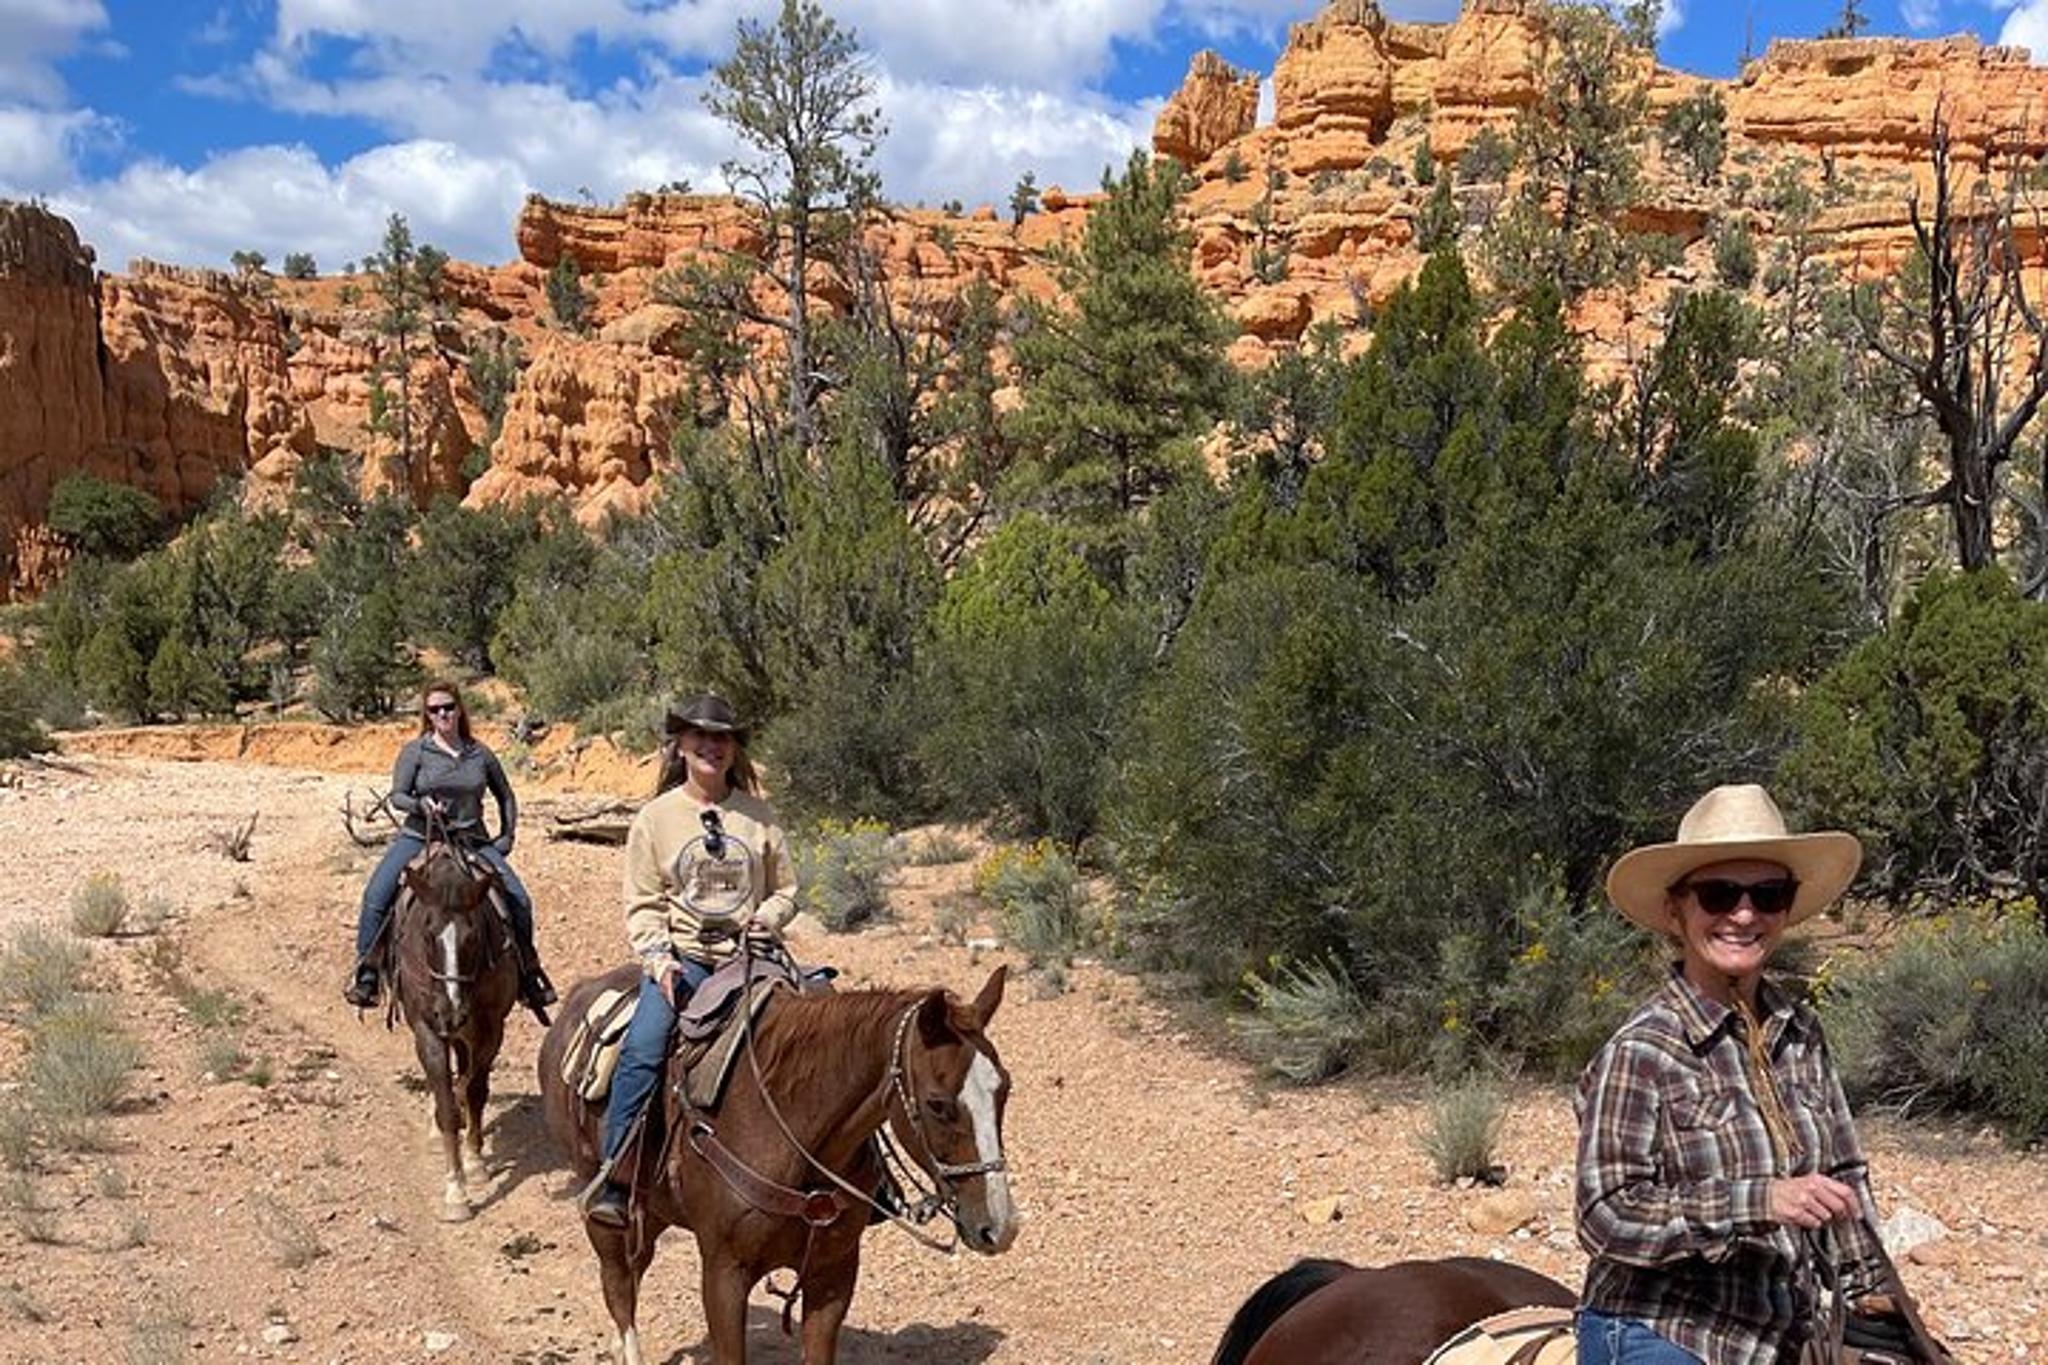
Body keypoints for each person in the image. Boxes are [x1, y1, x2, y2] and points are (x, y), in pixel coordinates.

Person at [1574, 783, 1894, 1365]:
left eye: (1768, 895)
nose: (1744, 915)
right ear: (1676, 911)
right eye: (1719, 894)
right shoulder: (1643, 1049)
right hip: (1663, 1326)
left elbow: (1844, 1175)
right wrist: (1758, 1200)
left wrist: (1873, 1292)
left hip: (1779, 1328)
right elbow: (1605, 1216)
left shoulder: (1800, 1032)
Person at [582, 694, 799, 1228]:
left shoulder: (759, 816)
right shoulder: (656, 819)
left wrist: (768, 918)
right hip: (687, 959)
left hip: (754, 960)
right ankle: (618, 1174)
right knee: (644, 1048)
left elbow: (788, 889)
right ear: (680, 744)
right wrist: (660, 961)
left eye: (721, 737)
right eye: (700, 736)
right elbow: (643, 903)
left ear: (733, 749)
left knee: (828, 1028)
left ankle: (871, 1174)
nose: (712, 746)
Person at [343, 681, 557, 1014]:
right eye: (434, 709)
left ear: (459, 709)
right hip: (420, 837)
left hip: (472, 839)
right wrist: (421, 805)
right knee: (376, 895)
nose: (442, 713)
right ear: (427, 715)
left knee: (518, 899)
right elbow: (398, 795)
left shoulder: (479, 753)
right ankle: (367, 972)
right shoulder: (416, 751)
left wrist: (507, 836)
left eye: (448, 707)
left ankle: (529, 973)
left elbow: (506, 796)